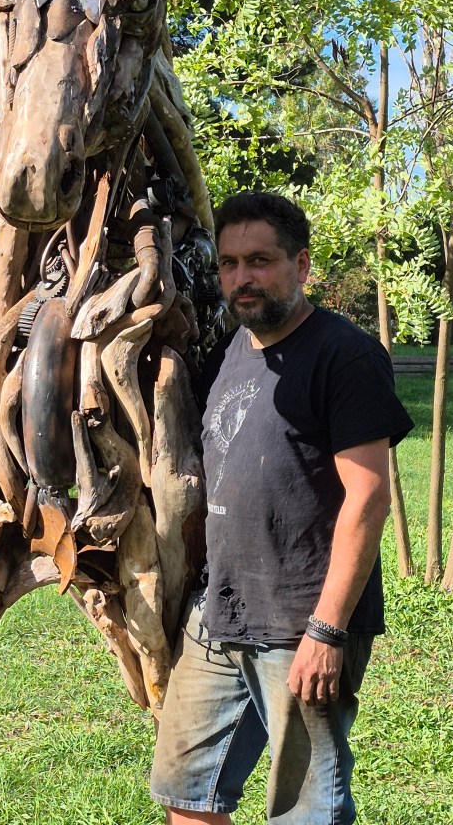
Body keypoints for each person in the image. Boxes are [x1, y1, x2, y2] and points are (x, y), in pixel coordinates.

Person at [150, 192, 413, 825]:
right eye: (230, 263)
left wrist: (327, 630)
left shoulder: (344, 355)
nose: (242, 278)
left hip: (301, 621)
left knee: (303, 810)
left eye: (260, 261)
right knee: (185, 794)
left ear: (301, 265)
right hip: (219, 615)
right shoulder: (229, 354)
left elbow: (369, 497)